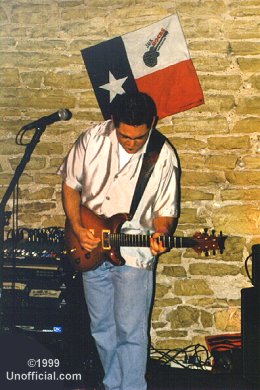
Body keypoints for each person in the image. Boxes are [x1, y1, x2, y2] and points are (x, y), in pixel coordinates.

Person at [59, 92, 180, 390]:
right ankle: (113, 385)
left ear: (151, 123)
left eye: (139, 138)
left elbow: (165, 212)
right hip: (89, 245)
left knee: (131, 331)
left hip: (133, 253)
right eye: (125, 136)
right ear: (114, 122)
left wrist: (161, 234)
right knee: (101, 328)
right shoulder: (91, 140)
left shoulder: (162, 154)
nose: (132, 143)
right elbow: (70, 185)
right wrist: (76, 226)